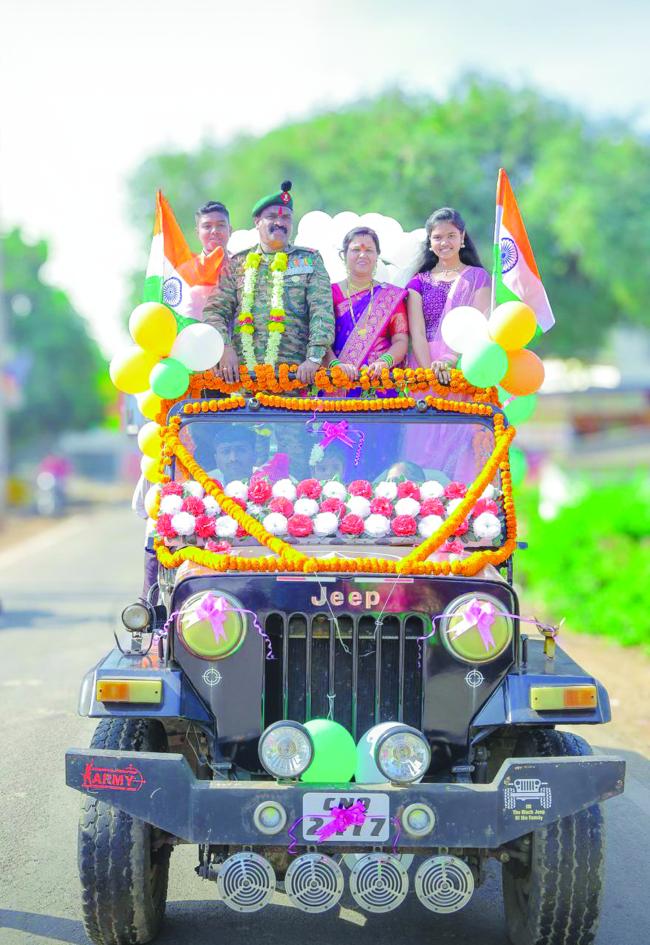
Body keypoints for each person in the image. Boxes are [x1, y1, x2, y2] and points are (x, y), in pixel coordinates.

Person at [203, 181, 334, 384]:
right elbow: (215, 311)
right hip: (244, 378)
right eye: (272, 216)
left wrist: (314, 358)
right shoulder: (238, 263)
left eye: (286, 218)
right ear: (257, 221)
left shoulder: (309, 260)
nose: (280, 222)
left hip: (297, 376)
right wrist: (224, 347)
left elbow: (322, 312)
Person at [407, 207, 490, 382]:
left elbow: (479, 326)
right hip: (424, 365)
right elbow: (418, 333)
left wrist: (449, 361)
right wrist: (430, 373)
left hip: (464, 364)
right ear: (430, 241)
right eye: (437, 237)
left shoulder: (478, 277)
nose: (444, 242)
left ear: (462, 237)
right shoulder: (418, 282)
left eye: (451, 235)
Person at [325, 227, 408, 380]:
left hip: (378, 382)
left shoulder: (390, 296)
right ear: (344, 255)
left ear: (377, 256)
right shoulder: (328, 294)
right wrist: (335, 365)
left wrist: (385, 362)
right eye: (356, 249)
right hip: (336, 381)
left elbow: (401, 340)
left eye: (369, 250)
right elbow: (321, 340)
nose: (362, 255)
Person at [177, 200, 232, 320]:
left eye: (221, 225)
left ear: (230, 230)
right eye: (207, 226)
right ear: (198, 233)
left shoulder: (244, 267)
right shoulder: (185, 271)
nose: (214, 231)